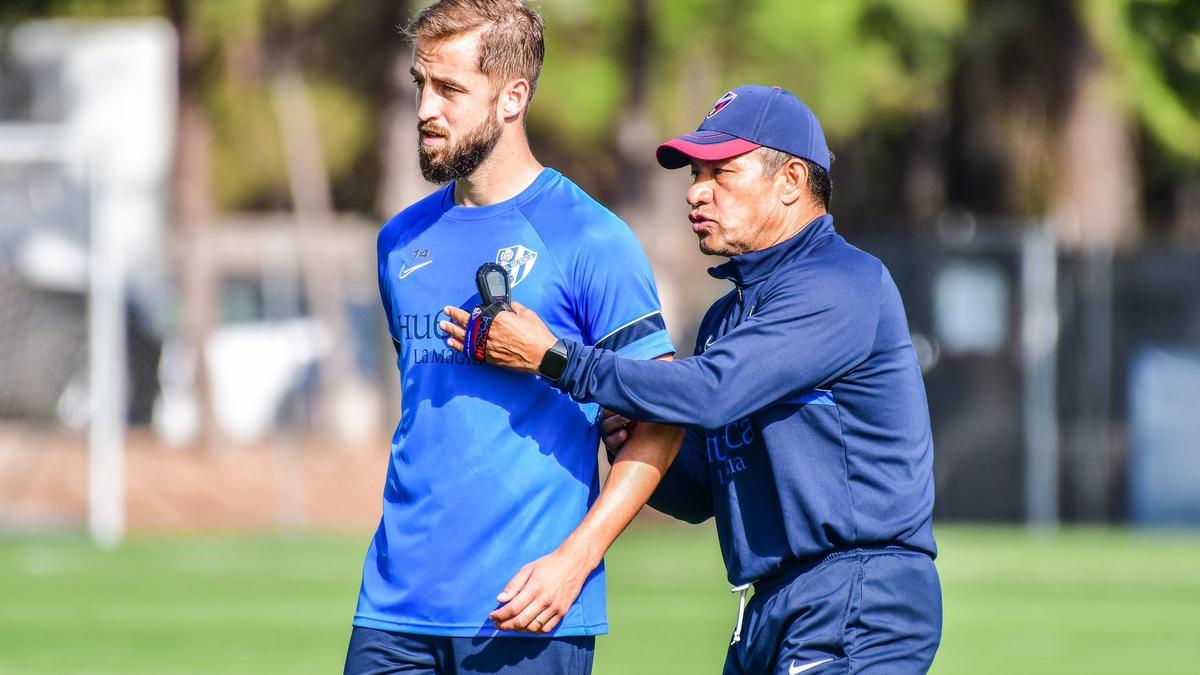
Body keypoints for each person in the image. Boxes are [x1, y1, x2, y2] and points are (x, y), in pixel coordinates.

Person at [444, 84, 943, 673]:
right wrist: (625, 431)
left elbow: (710, 392)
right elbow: (700, 494)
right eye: (694, 173)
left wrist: (557, 359)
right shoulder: (727, 316)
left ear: (790, 182)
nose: (696, 192)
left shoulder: (842, 282)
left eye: (721, 172)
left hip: (859, 592)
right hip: (773, 607)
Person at [343, 2, 677, 673]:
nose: (425, 110)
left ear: (513, 96)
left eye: (451, 89)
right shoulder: (398, 242)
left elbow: (664, 418)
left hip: (525, 611)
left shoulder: (592, 239)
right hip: (393, 607)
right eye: (420, 85)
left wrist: (574, 561)